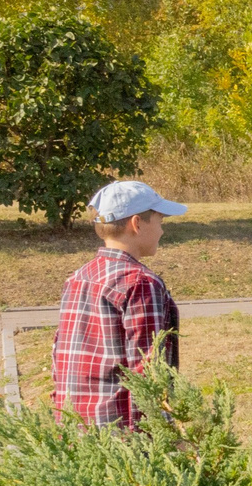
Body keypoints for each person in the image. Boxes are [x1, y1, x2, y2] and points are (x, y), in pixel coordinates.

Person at [52, 179, 186, 429]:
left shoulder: (78, 277)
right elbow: (149, 371)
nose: (162, 231)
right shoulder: (141, 283)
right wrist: (169, 433)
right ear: (137, 223)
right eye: (160, 221)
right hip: (123, 435)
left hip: (75, 426)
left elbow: (60, 356)